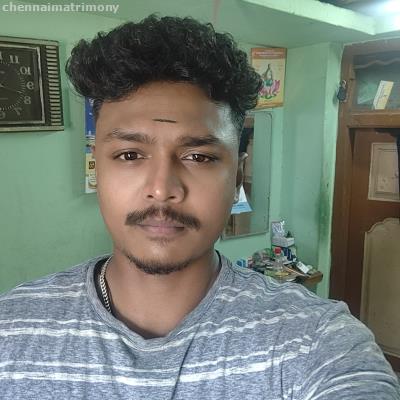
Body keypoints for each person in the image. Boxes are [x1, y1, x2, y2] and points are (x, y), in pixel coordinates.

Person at [0, 15, 399, 400]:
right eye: (129, 155)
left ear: (237, 176)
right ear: (97, 171)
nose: (162, 190)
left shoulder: (316, 340)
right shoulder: (11, 327)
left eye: (199, 157)